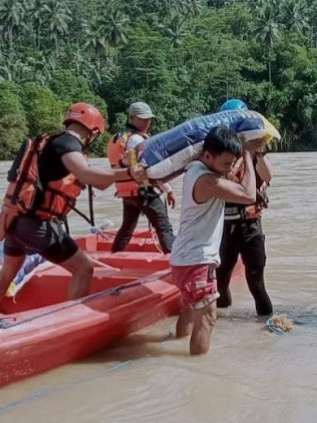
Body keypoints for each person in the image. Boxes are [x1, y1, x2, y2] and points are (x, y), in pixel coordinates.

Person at [0, 103, 147, 317]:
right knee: (84, 269)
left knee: (7, 273)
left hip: (15, 220)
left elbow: (74, 179)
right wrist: (130, 173)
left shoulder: (51, 141)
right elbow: (89, 176)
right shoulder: (68, 144)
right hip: (38, 226)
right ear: (93, 131)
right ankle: (75, 320)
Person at [171, 126, 262, 355]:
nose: (229, 169)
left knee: (192, 309)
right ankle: (197, 370)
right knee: (209, 316)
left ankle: (173, 348)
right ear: (208, 155)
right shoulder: (207, 180)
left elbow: (231, 179)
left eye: (232, 164)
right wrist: (248, 154)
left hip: (184, 259)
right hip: (197, 261)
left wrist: (236, 159)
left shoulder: (194, 169)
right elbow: (249, 195)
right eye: (225, 164)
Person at [215, 99, 274, 316]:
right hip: (226, 226)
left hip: (250, 226)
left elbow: (268, 177)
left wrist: (256, 152)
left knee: (256, 283)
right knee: (220, 282)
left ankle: (266, 330)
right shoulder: (220, 153)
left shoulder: (255, 151)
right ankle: (222, 322)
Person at [107, 101, 176, 253]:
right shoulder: (137, 140)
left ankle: (115, 254)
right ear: (131, 118)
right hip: (143, 190)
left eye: (148, 119)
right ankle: (174, 264)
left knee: (127, 228)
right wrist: (168, 189)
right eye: (143, 119)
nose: (147, 122)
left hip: (127, 191)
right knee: (163, 226)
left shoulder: (119, 137)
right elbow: (149, 169)